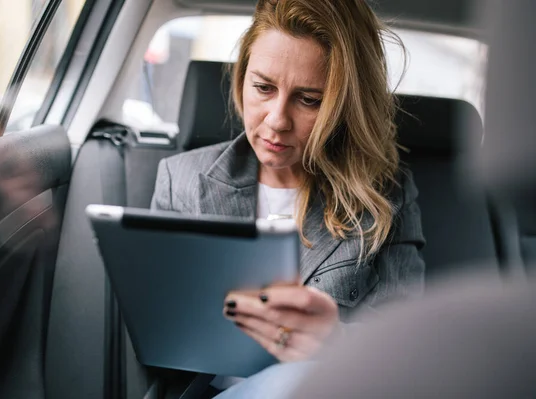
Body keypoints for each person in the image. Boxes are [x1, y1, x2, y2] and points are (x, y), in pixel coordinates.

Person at [150, 0, 425, 395]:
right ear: (242, 77)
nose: (277, 120)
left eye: (309, 99)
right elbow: (158, 337)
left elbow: (403, 347)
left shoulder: (386, 197)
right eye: (263, 88)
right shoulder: (183, 180)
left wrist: (334, 339)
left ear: (343, 106)